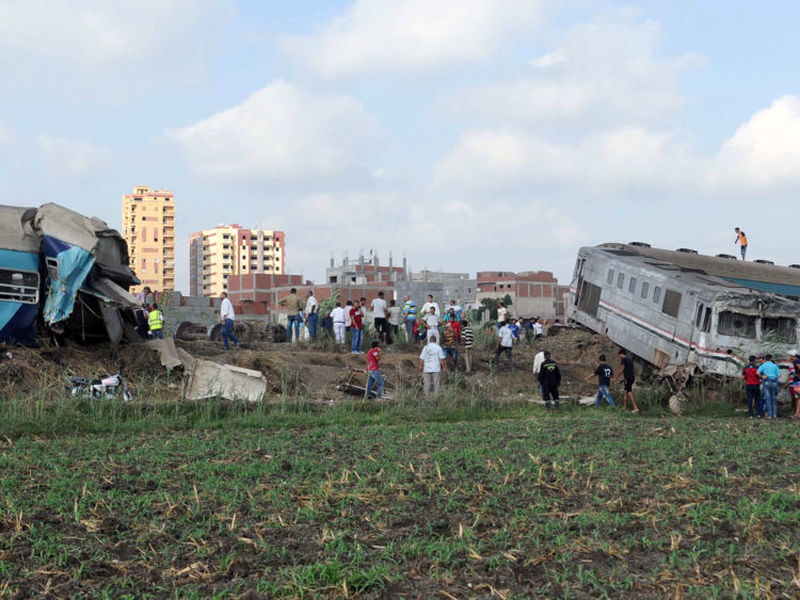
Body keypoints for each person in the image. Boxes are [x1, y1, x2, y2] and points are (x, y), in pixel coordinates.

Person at [612, 349, 639, 413]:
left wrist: (616, 378)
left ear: (621, 354)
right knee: (625, 391)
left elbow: (622, 369)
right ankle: (624, 407)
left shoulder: (623, 359)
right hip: (632, 377)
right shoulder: (629, 359)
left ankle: (636, 408)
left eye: (619, 355)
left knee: (629, 391)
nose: (619, 357)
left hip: (628, 377)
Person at [757, 353, 780, 418]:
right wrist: (774, 377)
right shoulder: (775, 365)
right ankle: (774, 415)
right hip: (774, 383)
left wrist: (762, 377)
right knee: (773, 399)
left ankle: (769, 415)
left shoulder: (763, 365)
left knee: (768, 399)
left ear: (765, 358)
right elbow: (779, 375)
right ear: (771, 358)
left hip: (766, 382)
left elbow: (757, 373)